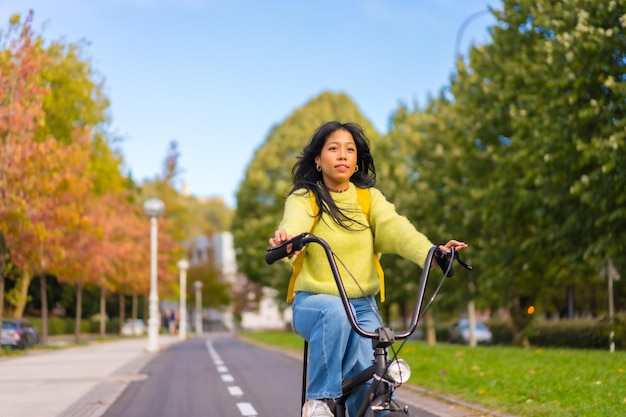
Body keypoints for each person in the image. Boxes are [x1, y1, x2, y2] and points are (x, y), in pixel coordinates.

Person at [268, 121, 468, 417]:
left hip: (363, 306)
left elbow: (397, 229)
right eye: (333, 149)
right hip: (313, 302)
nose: (342, 155)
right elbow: (295, 223)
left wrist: (432, 253)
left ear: (357, 160)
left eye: (350, 150)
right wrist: (288, 240)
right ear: (318, 159)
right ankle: (319, 402)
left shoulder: (368, 199)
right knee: (333, 312)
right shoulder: (306, 197)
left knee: (374, 378)